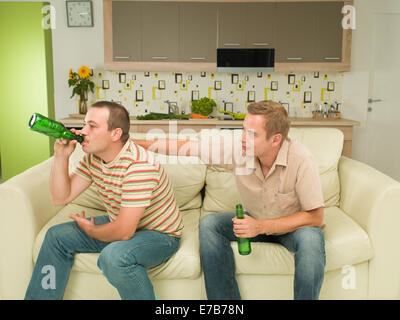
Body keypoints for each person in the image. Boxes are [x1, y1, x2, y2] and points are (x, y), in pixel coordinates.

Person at [134, 100, 325, 300]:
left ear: (275, 139)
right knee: (209, 224)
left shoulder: (302, 159)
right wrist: (140, 144)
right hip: (256, 220)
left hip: (292, 226)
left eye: (252, 134)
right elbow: (188, 147)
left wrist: (261, 227)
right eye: (243, 130)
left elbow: (316, 216)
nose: (243, 138)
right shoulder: (240, 151)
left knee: (311, 239)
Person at [25, 101, 183, 300]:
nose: (83, 131)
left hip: (160, 235)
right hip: (123, 222)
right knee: (56, 237)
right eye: (84, 124)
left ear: (115, 134)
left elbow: (124, 232)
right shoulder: (94, 158)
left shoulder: (139, 166)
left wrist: (93, 231)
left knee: (114, 257)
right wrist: (61, 157)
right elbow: (60, 197)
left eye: (92, 126)